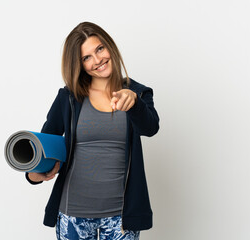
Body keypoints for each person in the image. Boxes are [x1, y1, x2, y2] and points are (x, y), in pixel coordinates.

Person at [25, 22, 160, 240]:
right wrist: (34, 174)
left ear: (110, 47)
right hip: (73, 214)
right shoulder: (68, 97)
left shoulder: (137, 93)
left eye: (99, 49)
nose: (97, 60)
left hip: (121, 218)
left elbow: (151, 128)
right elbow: (43, 145)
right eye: (86, 57)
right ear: (79, 64)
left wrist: (134, 103)